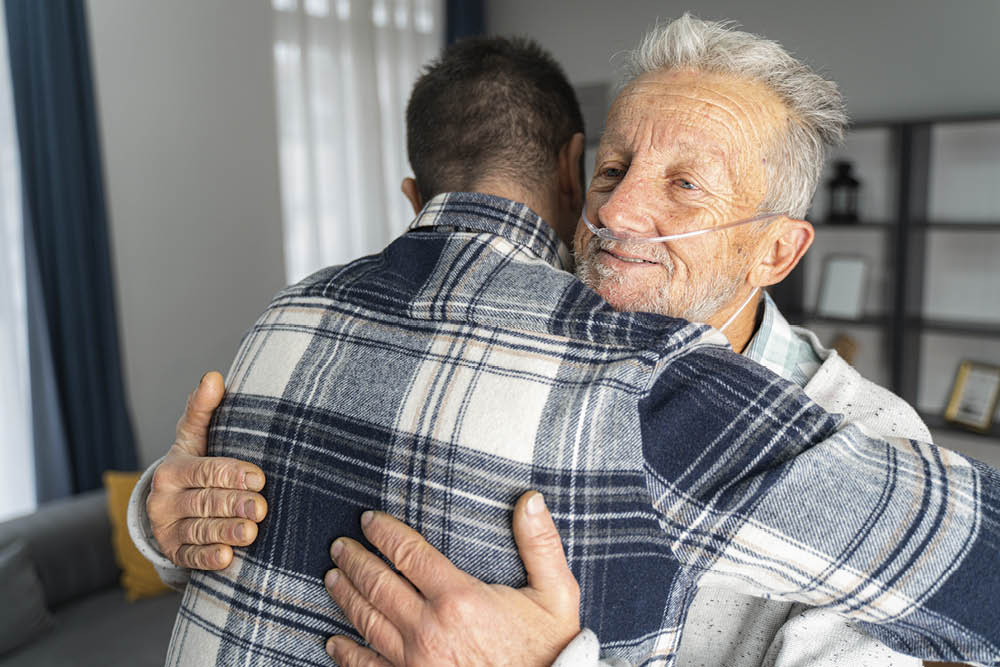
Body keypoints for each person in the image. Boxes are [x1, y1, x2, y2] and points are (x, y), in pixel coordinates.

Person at [131, 22, 1000, 667]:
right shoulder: (518, 346)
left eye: (684, 185)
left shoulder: (867, 439)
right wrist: (171, 521)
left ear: (776, 249)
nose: (616, 214)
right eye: (613, 170)